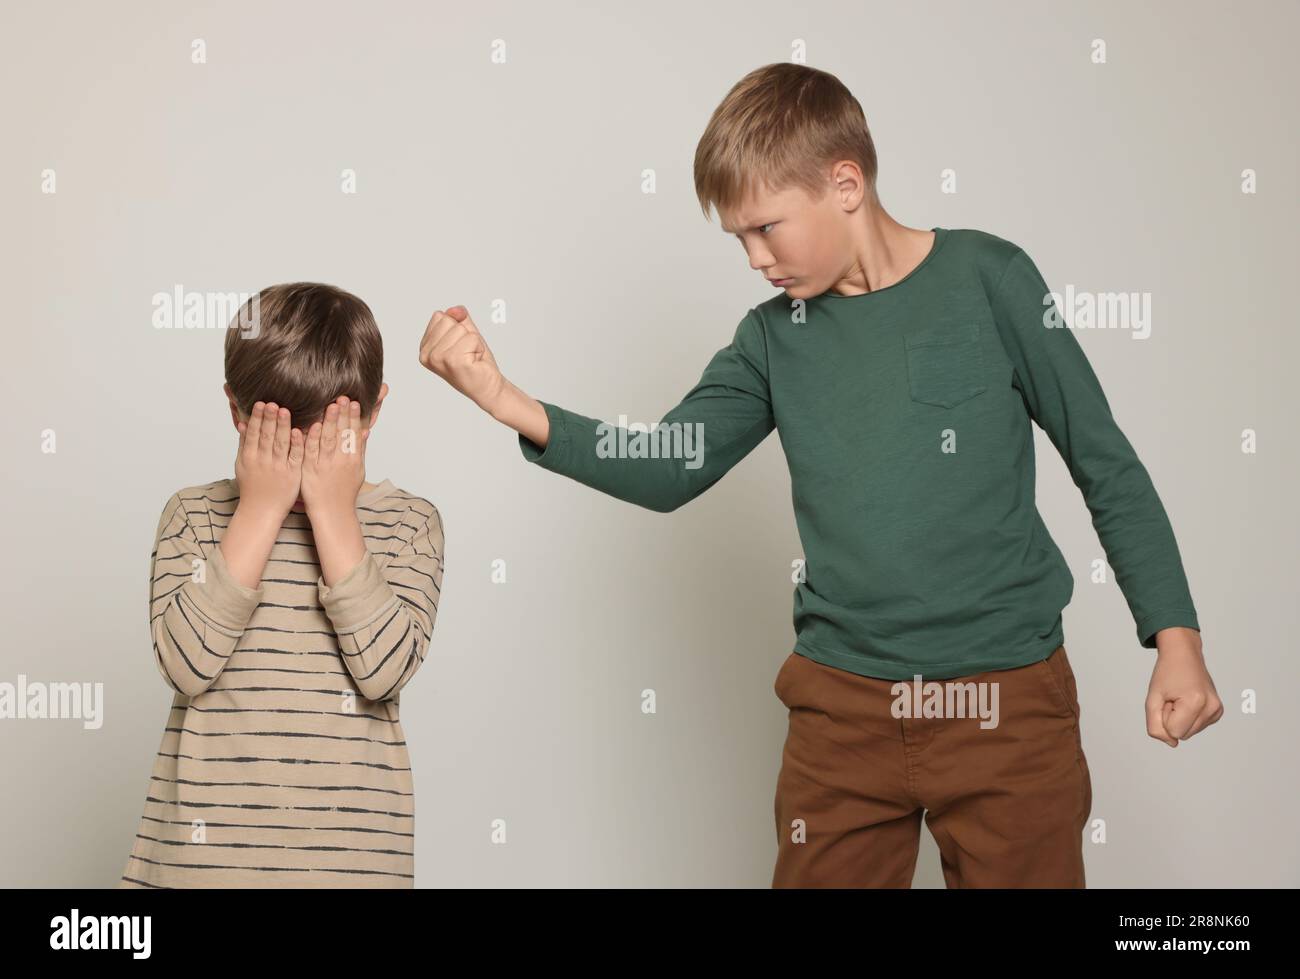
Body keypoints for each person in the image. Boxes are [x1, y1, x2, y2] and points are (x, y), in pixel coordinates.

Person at [416, 62, 1222, 887]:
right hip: (843, 714)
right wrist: (507, 400)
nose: (755, 259)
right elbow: (668, 465)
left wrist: (1176, 639)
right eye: (738, 238)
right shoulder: (772, 337)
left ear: (846, 183)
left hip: (1006, 704)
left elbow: (1105, 461)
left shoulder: (992, 278)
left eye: (767, 227)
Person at [120, 282, 444, 888]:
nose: (300, 463)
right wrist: (260, 511)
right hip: (200, 866)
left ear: (374, 413)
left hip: (351, 869)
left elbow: (384, 671)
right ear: (236, 412)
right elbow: (187, 665)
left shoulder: (409, 523)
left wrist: (334, 512)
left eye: (325, 439)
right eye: (277, 436)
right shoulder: (194, 515)